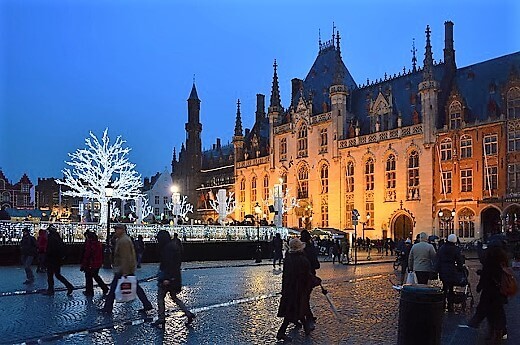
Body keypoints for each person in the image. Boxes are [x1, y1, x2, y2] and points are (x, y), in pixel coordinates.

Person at [101, 224, 153, 314]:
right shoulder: (123, 239)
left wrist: (124, 272)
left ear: (121, 230)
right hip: (125, 269)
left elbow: (125, 257)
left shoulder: (123, 241)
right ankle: (147, 304)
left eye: (117, 229)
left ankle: (108, 307)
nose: (115, 231)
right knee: (136, 287)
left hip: (123, 270)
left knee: (114, 289)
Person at [465, 240, 509, 341]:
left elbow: (486, 274)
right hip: (499, 292)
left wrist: (479, 286)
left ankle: (470, 330)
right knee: (497, 312)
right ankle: (500, 332)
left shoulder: (490, 259)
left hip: (489, 292)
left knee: (483, 311)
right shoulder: (503, 259)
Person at [151, 230, 195, 328]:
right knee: (174, 297)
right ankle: (188, 313)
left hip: (167, 277)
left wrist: (167, 278)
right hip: (173, 277)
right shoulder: (172, 247)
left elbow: (169, 264)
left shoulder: (167, 248)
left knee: (160, 298)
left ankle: (161, 318)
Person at [276, 238, 314, 341]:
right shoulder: (302, 259)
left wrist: (284, 289)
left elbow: (285, 276)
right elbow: (307, 275)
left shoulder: (288, 258)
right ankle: (281, 332)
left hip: (289, 288)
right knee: (295, 309)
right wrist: (314, 281)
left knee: (298, 308)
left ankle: (306, 328)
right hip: (299, 288)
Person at [436, 234, 465, 312]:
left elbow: (438, 258)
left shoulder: (442, 248)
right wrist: (460, 268)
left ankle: (442, 303)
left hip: (443, 269)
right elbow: (459, 261)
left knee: (445, 287)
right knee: (451, 287)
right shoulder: (455, 249)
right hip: (451, 269)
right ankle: (450, 305)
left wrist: (437, 269)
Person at [43, 225, 74, 295]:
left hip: (51, 259)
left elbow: (49, 250)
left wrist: (46, 259)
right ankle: (69, 286)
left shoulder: (51, 238)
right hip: (57, 260)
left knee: (50, 275)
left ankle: (50, 290)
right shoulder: (58, 238)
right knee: (57, 275)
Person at [300, 229, 320, 324]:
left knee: (303, 296)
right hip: (308, 276)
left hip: (299, 276)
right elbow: (315, 262)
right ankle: (307, 316)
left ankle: (307, 315)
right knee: (305, 297)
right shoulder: (309, 248)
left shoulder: (298, 249)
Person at [81, 231, 109, 296]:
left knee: (88, 277)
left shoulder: (89, 244)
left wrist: (84, 264)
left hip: (90, 263)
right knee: (95, 276)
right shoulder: (98, 243)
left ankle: (89, 291)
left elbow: (87, 255)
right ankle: (104, 288)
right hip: (97, 262)